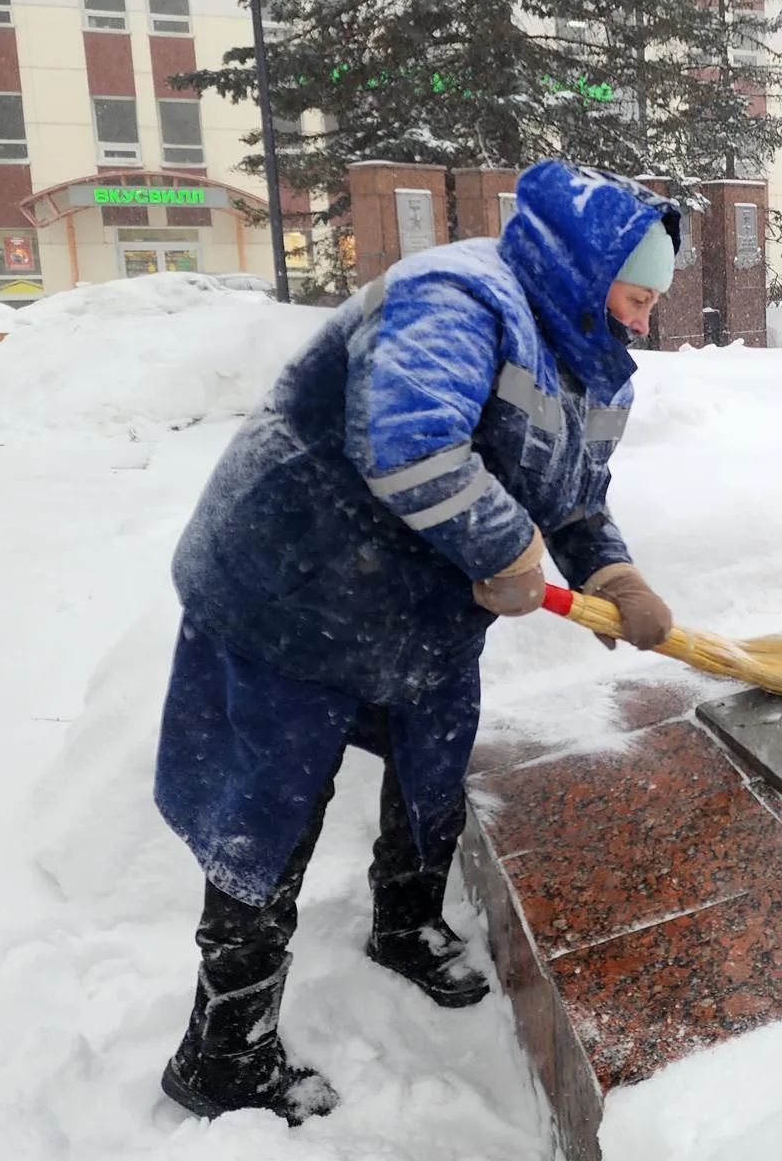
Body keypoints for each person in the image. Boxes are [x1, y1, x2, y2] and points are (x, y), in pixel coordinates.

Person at [154, 160, 679, 1125]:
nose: (644, 321)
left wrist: (612, 573)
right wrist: (507, 544)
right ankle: (221, 1049)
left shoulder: (589, 356)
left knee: (434, 754)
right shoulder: (457, 294)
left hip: (415, 600)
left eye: (652, 303)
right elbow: (411, 440)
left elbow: (572, 492)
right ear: (584, 267)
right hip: (292, 584)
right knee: (270, 810)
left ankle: (404, 922)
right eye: (638, 295)